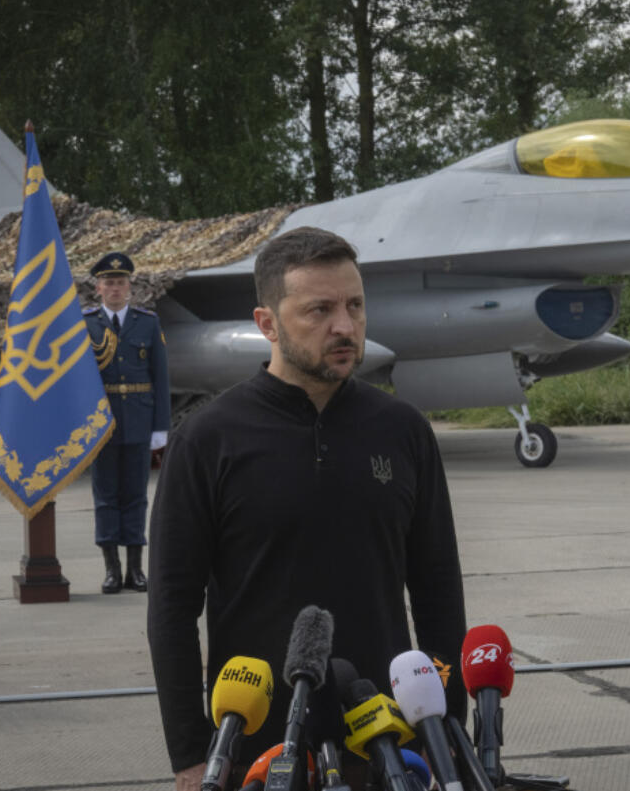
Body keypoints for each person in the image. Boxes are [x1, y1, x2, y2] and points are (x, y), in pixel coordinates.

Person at [147, 227, 467, 791]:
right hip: (256, 751)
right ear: (267, 322)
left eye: (354, 306)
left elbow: (439, 591)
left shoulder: (403, 431)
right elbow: (171, 610)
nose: (344, 326)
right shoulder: (207, 440)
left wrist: (448, 734)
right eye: (319, 309)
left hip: (388, 745)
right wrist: (193, 756)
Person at [84, 251, 170, 594]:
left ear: (129, 287)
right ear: (98, 287)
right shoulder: (85, 323)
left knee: (136, 496)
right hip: (100, 422)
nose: (115, 288)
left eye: (120, 282)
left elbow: (160, 376)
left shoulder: (147, 323)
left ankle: (135, 570)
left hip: (138, 419)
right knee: (105, 496)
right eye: (109, 283)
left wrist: (160, 426)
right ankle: (111, 569)